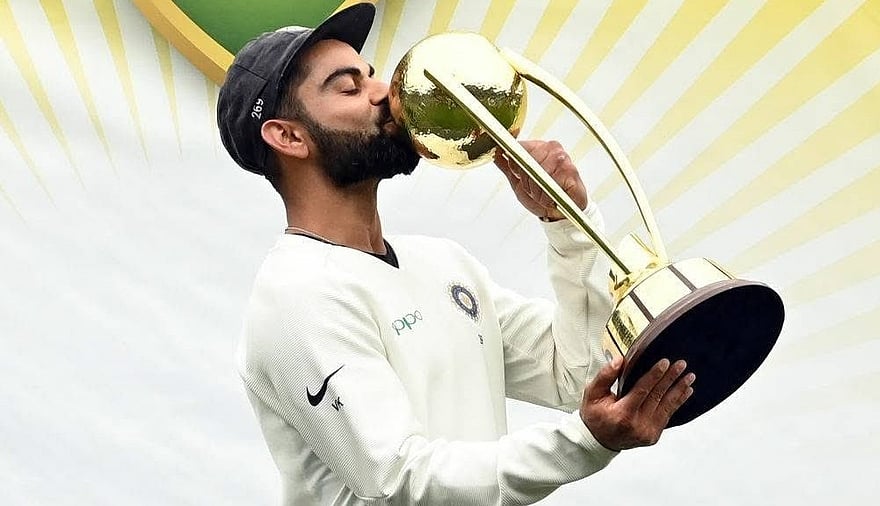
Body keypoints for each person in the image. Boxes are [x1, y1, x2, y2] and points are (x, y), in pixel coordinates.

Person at [217, 3, 695, 505]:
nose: (386, 93)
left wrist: (567, 226)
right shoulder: (297, 298)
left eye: (372, 76)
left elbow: (573, 374)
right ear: (288, 136)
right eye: (349, 87)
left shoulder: (442, 264)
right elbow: (401, 478)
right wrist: (585, 442)